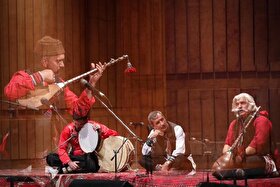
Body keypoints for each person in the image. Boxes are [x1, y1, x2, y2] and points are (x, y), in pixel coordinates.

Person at [212, 93, 279, 179]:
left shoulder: (261, 120)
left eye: (243, 103)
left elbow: (256, 147)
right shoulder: (234, 124)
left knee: (245, 164)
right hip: (239, 158)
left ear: (251, 105)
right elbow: (227, 146)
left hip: (261, 158)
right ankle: (237, 172)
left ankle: (238, 172)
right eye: (237, 104)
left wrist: (237, 158)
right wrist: (228, 158)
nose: (239, 106)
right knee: (217, 168)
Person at [46, 103, 118, 173]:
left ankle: (62, 169)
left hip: (87, 157)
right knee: (50, 157)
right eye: (77, 124)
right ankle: (70, 168)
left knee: (92, 165)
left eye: (82, 124)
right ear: (74, 121)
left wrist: (100, 130)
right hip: (74, 157)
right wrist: (69, 162)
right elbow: (61, 148)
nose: (80, 127)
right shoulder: (68, 129)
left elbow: (114, 134)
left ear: (86, 121)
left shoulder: (92, 125)